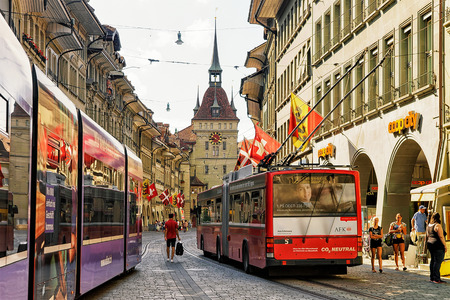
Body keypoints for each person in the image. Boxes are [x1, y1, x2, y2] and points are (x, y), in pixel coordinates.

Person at [426, 212, 447, 283]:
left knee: (432, 261)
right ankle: (436, 278)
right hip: (437, 245)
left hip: (430, 244)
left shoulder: (429, 225)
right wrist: (445, 245)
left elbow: (428, 235)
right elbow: (441, 236)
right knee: (438, 261)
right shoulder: (437, 225)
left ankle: (432, 277)